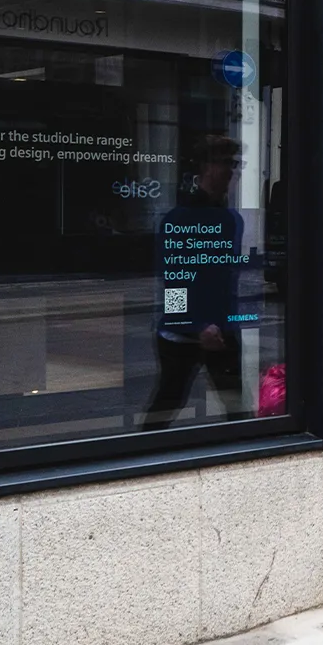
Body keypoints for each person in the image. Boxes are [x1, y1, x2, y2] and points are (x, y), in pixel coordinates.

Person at [143, 134, 247, 428]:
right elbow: (174, 279)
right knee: (168, 402)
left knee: (236, 409)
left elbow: (224, 280)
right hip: (184, 334)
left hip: (221, 330)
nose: (231, 171)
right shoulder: (180, 218)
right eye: (223, 163)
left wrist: (225, 324)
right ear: (204, 167)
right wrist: (196, 325)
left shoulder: (230, 219)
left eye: (234, 164)